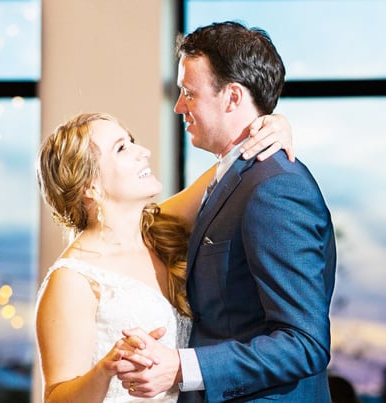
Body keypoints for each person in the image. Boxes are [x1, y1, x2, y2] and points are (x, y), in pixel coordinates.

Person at [118, 20, 337, 402]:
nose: (178, 105)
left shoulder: (275, 187)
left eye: (189, 93)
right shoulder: (237, 176)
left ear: (233, 97)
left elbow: (304, 343)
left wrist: (183, 367)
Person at [35, 112, 294, 402]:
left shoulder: (160, 229)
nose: (143, 152)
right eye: (122, 148)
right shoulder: (72, 279)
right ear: (89, 186)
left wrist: (272, 126)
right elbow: (56, 396)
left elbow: (232, 165)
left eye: (131, 141)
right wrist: (105, 370)